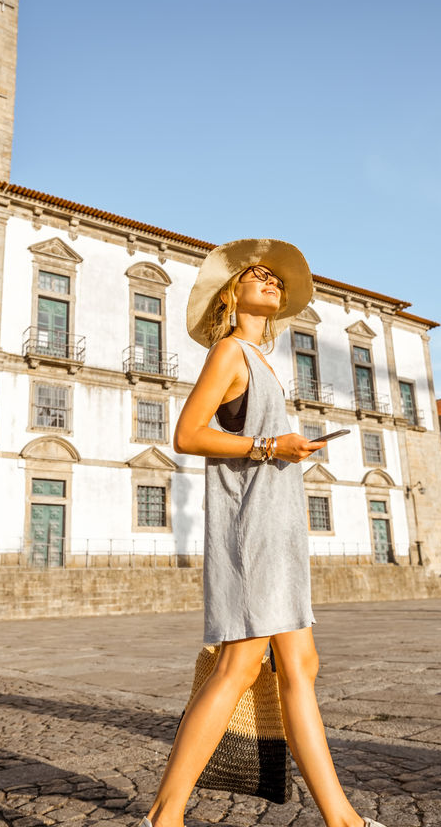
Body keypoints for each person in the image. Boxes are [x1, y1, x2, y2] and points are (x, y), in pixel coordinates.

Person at [138, 240, 385, 827]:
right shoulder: (230, 351)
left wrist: (286, 448)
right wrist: (271, 445)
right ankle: (162, 816)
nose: (270, 281)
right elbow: (188, 434)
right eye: (256, 275)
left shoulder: (262, 360)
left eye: (276, 278)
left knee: (302, 668)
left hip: (278, 531)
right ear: (232, 293)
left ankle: (342, 819)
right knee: (238, 667)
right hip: (250, 533)